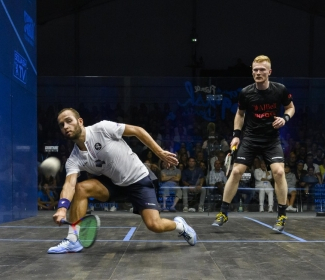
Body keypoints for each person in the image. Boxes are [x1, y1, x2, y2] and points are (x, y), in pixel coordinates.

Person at [48, 108, 197, 253]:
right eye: (62, 125)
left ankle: (180, 226)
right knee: (81, 188)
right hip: (114, 184)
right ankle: (73, 240)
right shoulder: (74, 159)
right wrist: (62, 209)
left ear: (80, 121)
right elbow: (69, 184)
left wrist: (159, 152)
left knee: (154, 225)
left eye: (69, 121)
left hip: (138, 180)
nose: (66, 126)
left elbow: (137, 130)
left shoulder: (102, 128)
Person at [212, 55, 295, 231]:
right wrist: (236, 135)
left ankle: (281, 216)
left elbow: (291, 107)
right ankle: (223, 212)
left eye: (262, 70)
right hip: (250, 138)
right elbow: (240, 114)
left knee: (279, 172)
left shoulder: (280, 90)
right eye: (255, 70)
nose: (258, 73)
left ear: (269, 72)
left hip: (271, 140)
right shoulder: (246, 92)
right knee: (236, 172)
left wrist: (285, 118)